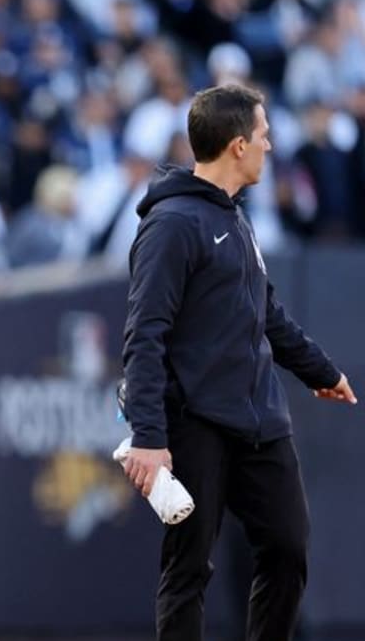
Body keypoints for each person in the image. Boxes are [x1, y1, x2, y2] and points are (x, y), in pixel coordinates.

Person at [119, 84, 358, 641]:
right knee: (189, 566)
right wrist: (149, 437)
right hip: (196, 418)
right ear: (236, 145)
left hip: (259, 420)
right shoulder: (173, 223)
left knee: (287, 548)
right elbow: (144, 334)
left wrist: (321, 371)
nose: (270, 146)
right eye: (264, 135)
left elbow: (268, 315)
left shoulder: (234, 219)